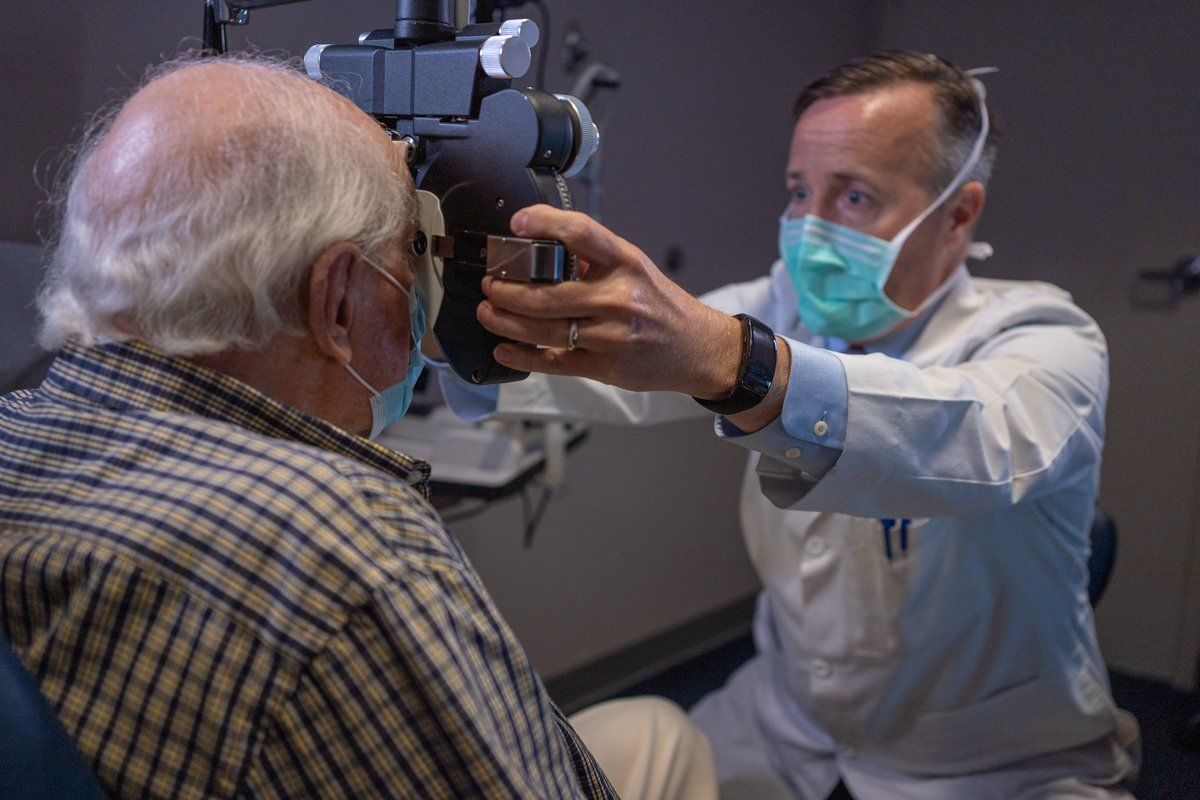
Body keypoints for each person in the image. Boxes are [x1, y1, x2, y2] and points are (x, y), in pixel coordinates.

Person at [0, 56, 719, 800]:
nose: (421, 312)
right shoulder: (345, 544)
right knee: (667, 736)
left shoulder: (12, 433)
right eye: (412, 258)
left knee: (649, 733)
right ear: (339, 300)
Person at [437, 52, 1141, 798]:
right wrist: (445, 327)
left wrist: (729, 360)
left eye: (855, 197)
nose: (807, 229)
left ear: (959, 212)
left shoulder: (1048, 335)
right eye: (799, 191)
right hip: (783, 730)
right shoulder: (785, 308)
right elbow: (629, 370)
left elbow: (978, 435)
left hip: (993, 768)